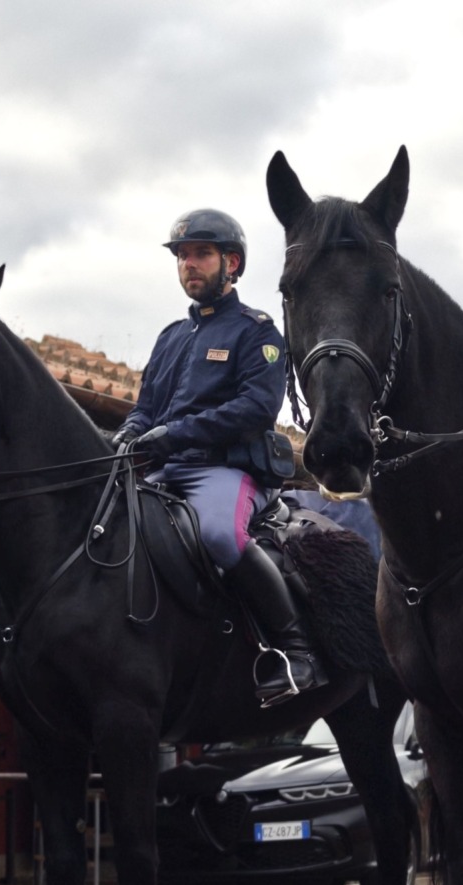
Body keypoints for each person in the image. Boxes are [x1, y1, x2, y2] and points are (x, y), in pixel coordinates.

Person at [114, 208, 328, 707]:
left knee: (217, 534)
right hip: (163, 472)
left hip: (225, 471)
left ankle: (296, 650)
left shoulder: (258, 333)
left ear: (231, 263)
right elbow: (146, 408)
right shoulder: (170, 338)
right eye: (183, 256)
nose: (190, 264)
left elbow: (255, 409)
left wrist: (172, 434)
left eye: (202, 254)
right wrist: (128, 433)